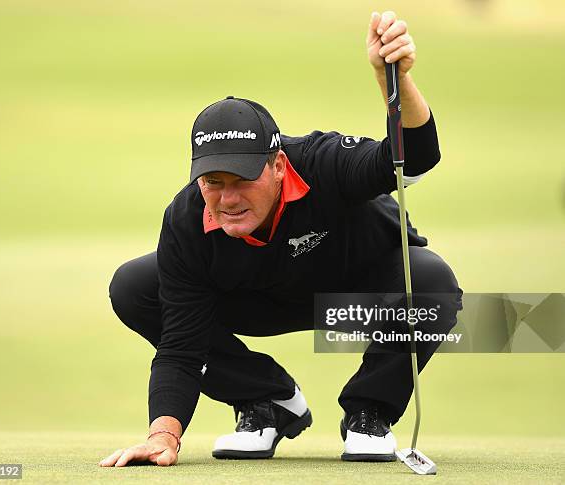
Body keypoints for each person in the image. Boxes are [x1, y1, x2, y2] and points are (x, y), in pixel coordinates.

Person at [99, 11, 463, 468]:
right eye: (213, 181)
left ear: (277, 166)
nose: (227, 198)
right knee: (135, 286)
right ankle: (267, 401)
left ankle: (369, 414)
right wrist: (163, 435)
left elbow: (416, 158)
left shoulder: (322, 162)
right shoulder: (187, 219)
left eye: (242, 179)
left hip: (358, 293)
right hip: (256, 299)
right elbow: (181, 345)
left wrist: (393, 80)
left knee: (430, 281)